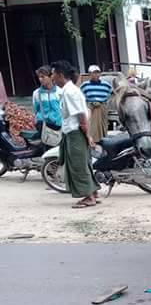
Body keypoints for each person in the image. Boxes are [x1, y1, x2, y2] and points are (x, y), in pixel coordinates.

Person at [52, 60, 101, 209]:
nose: (52, 77)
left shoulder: (70, 92)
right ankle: (93, 192)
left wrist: (87, 135)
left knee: (78, 165)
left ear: (60, 75)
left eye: (53, 74)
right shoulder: (67, 91)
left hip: (76, 133)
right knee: (83, 162)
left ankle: (89, 197)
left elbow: (81, 116)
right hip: (72, 132)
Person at [80, 65, 113, 141]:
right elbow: (80, 96)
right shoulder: (85, 85)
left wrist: (107, 101)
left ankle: (103, 140)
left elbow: (112, 93)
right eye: (94, 73)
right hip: (91, 107)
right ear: (90, 74)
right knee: (92, 126)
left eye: (98, 73)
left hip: (102, 107)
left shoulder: (106, 84)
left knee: (103, 125)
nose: (96, 75)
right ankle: (93, 141)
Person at [32, 66, 62, 135]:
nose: (40, 79)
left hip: (57, 125)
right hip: (43, 126)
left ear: (51, 77)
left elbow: (62, 109)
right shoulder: (36, 93)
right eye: (39, 77)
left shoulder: (59, 92)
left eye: (43, 77)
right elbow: (36, 109)